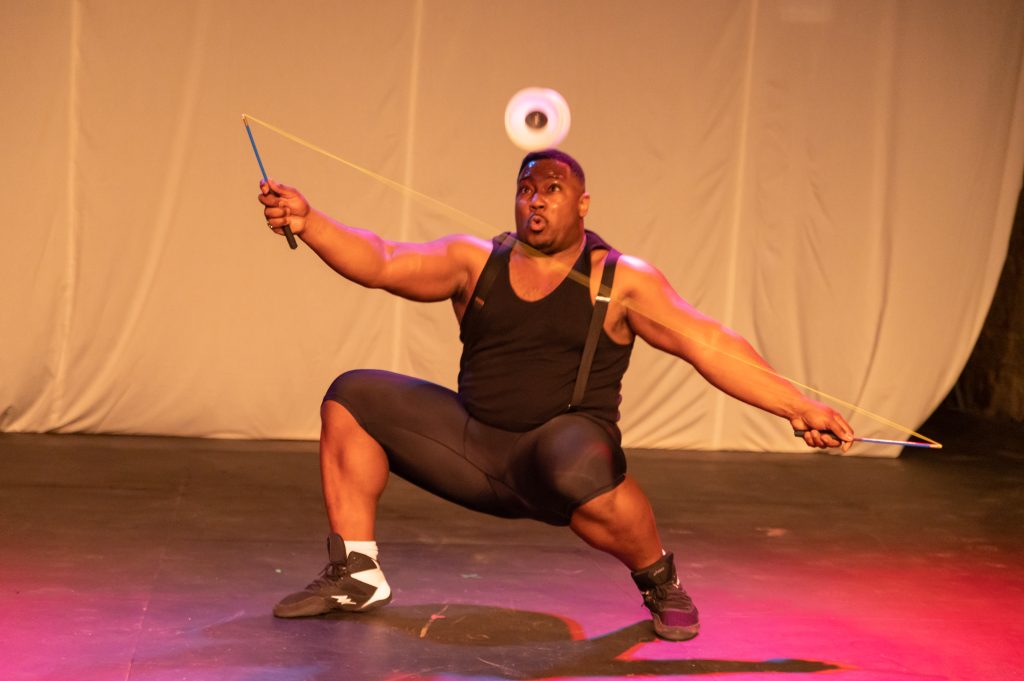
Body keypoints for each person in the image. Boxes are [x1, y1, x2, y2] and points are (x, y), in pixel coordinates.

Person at [257, 149, 854, 641]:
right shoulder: (474, 260)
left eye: (552, 187)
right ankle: (357, 573)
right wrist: (310, 223)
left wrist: (799, 407)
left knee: (574, 453)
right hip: (472, 448)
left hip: (562, 462)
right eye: (525, 188)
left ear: (582, 203)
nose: (536, 199)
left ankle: (658, 577)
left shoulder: (620, 279)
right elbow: (384, 260)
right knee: (353, 396)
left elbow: (710, 344)